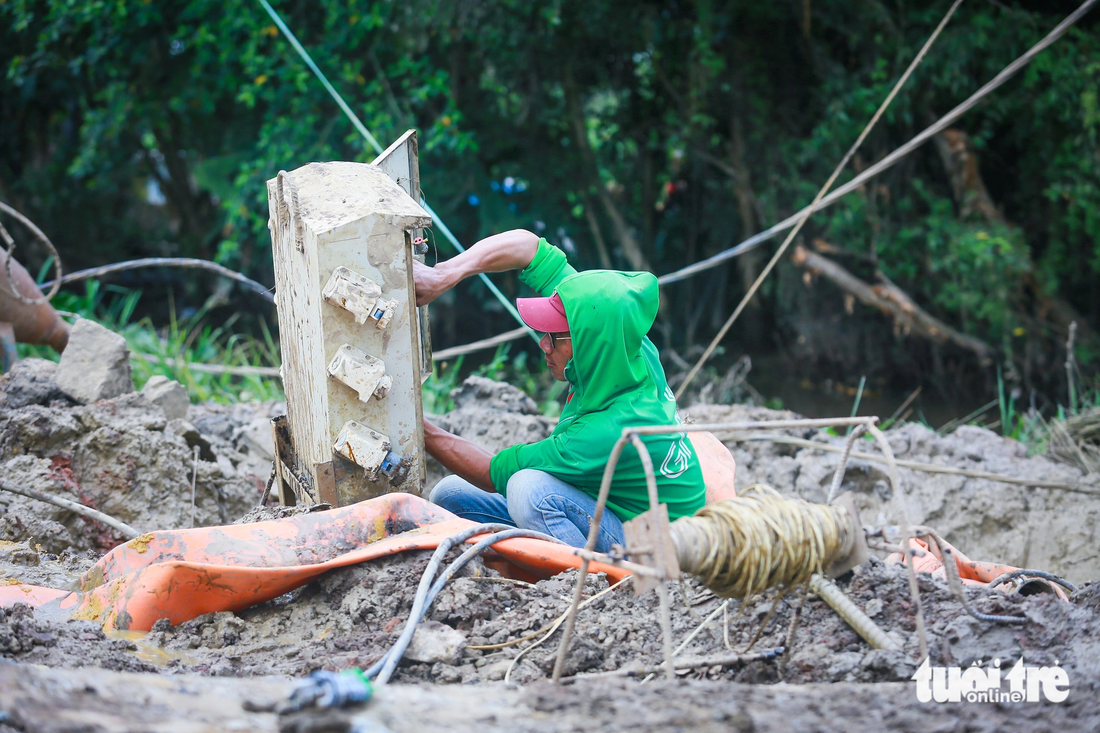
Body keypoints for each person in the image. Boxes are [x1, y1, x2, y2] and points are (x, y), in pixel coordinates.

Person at [415, 229, 704, 552]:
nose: (543, 344)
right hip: (613, 506)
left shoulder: (609, 430)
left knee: (529, 489)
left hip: (660, 550)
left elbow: (490, 473)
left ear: (586, 344)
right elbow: (529, 248)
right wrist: (443, 274)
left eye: (553, 335)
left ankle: (584, 585)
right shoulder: (621, 343)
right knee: (450, 493)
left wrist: (412, 422)